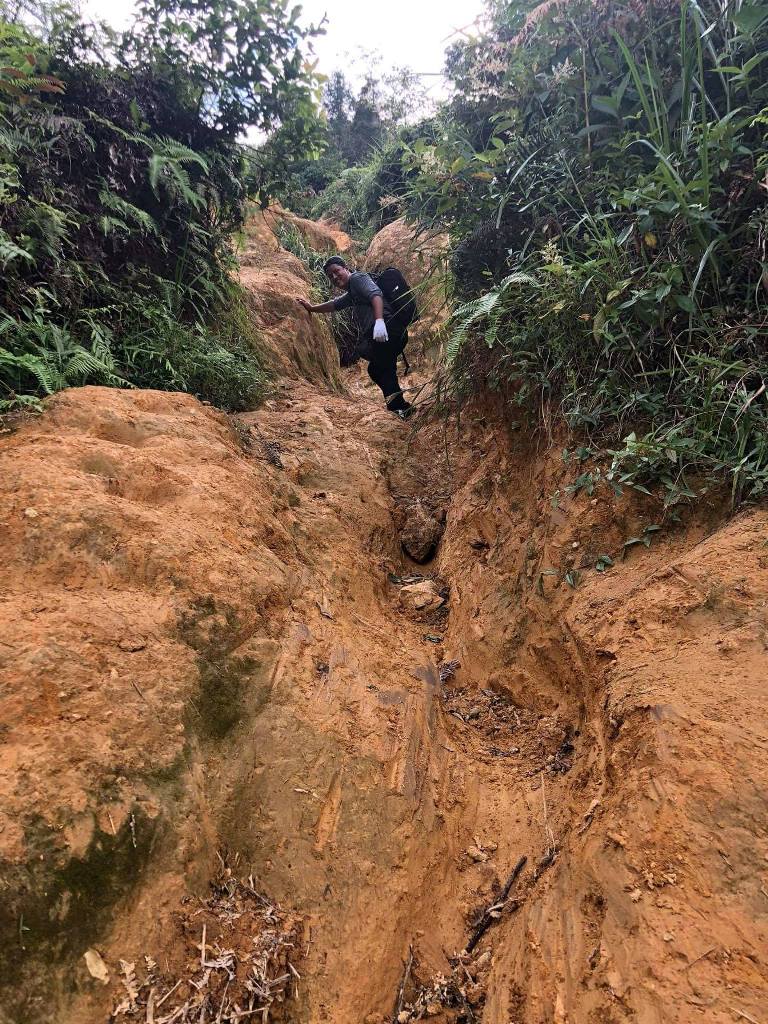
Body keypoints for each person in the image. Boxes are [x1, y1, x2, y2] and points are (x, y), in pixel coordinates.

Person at [297, 256, 412, 418]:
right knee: (382, 369)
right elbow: (334, 304)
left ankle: (399, 408)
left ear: (346, 268)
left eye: (337, 271)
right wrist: (311, 308)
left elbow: (376, 295)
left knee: (379, 369)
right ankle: (401, 406)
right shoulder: (353, 292)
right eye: (330, 276)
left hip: (387, 328)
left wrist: (379, 321)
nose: (335, 277)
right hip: (388, 331)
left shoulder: (358, 279)